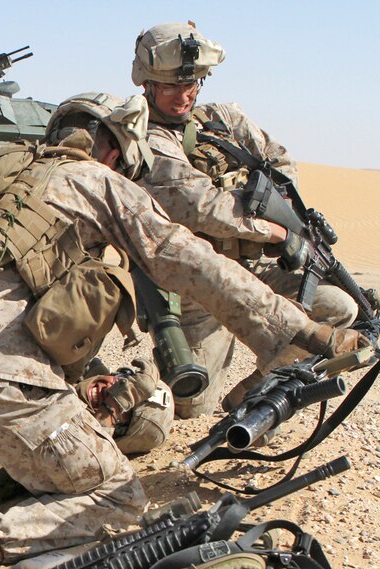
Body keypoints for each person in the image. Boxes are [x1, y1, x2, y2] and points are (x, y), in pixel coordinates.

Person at [0, 91, 367, 569]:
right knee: (117, 497)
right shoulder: (97, 182)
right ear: (112, 149)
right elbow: (193, 262)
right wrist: (304, 332)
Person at [131, 22, 358, 418]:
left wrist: (279, 211)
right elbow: (202, 206)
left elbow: (282, 164)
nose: (183, 96)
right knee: (189, 408)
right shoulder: (144, 140)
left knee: (339, 308)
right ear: (147, 84)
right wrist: (274, 231)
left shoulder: (223, 119)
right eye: (170, 87)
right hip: (196, 289)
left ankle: (254, 396)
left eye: (193, 84)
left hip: (253, 270)